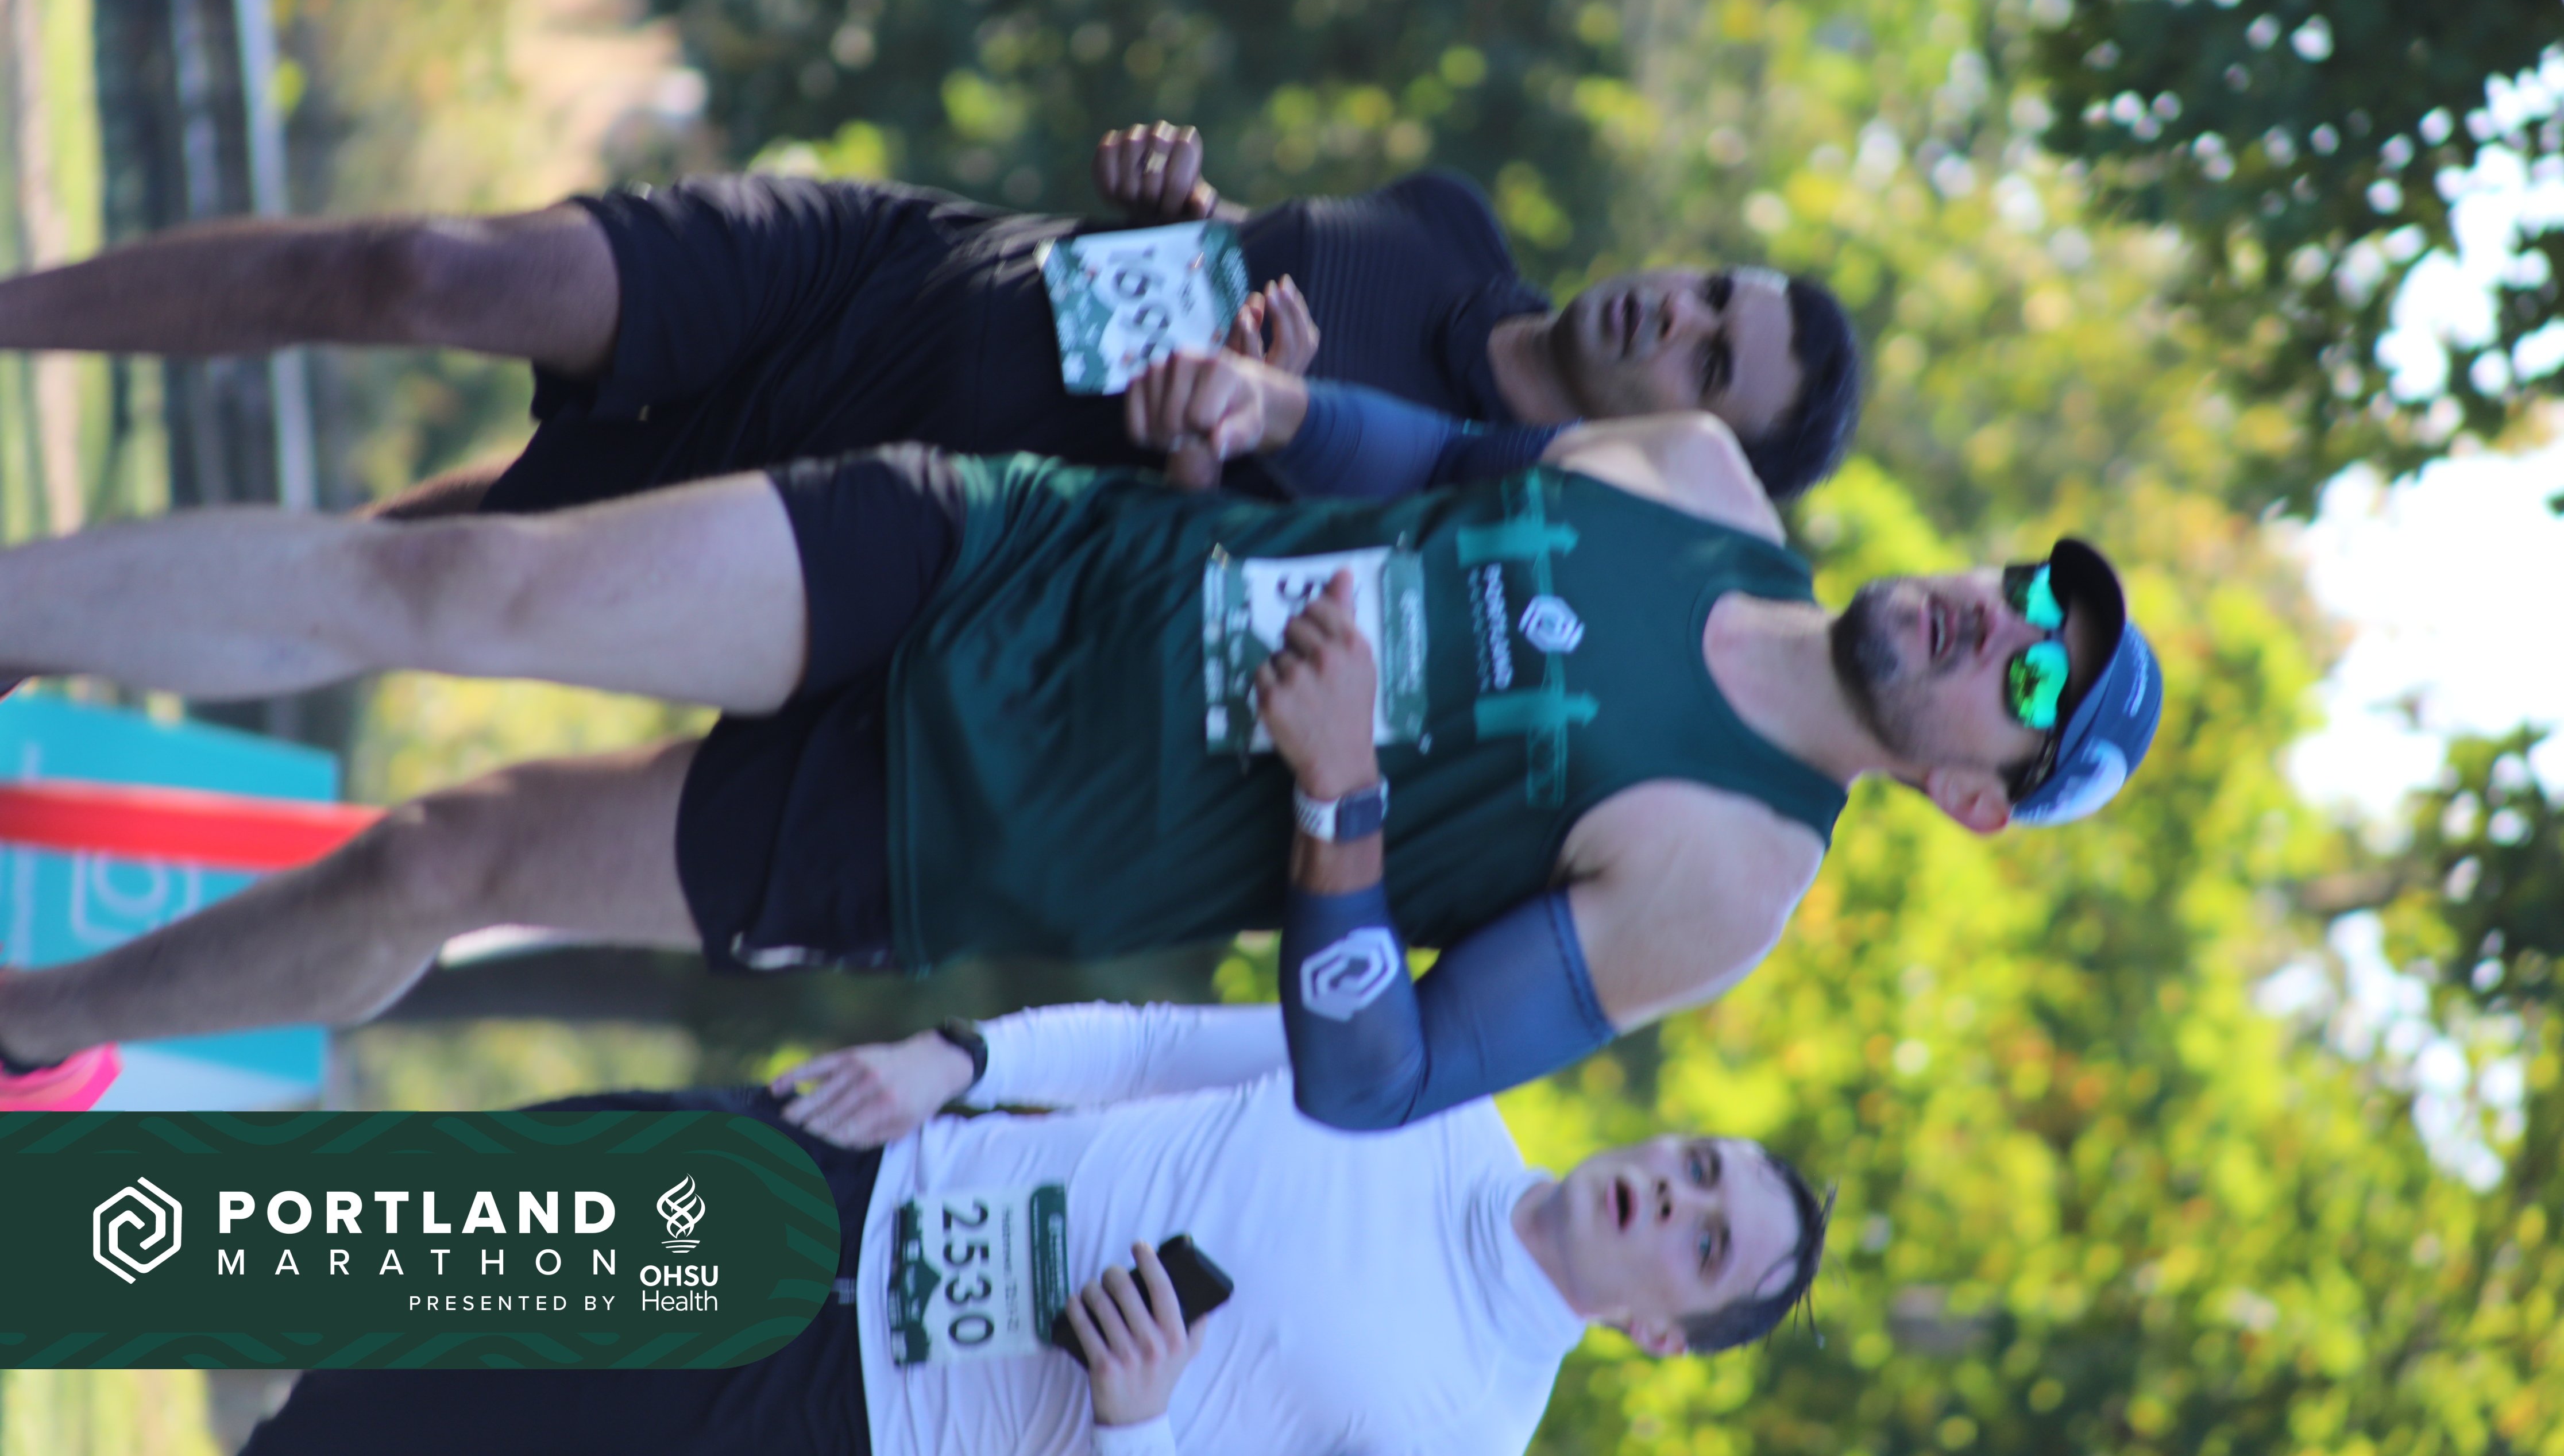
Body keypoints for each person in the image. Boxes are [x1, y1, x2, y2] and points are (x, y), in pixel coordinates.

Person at [0, 391, 2161, 1123]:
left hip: (973, 830)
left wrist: (1340, 800)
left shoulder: (1734, 880)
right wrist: (1268, 409)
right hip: (1016, 556)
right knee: (466, 586)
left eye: (2035, 679)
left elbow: (1376, 1081)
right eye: (2030, 596)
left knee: (440, 864)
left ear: (1974, 797)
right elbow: (1427, 460)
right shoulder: (1690, 469)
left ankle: (32, 1020)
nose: (2004, 624)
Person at [240, 1000, 1831, 1456]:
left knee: (363, 1439)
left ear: (1661, 1333)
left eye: (1705, 1243)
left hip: (842, 1423)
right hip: (846, 1182)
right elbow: (1154, 1043)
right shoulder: (1422, 1079)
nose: (1675, 1195)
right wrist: (965, 1058)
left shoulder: (1470, 1430)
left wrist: (1136, 1423)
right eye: (1699, 1166)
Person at [0, 123, 1862, 509]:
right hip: (891, 264)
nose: (1677, 310)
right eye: (1716, 288)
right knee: (425, 270)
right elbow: (1216, 248)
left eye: (1714, 359)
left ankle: (44, 627)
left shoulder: (1465, 506)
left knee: (419, 554)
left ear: (1693, 442)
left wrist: (1247, 433)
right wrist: (1180, 205)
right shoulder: (1455, 226)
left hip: (868, 488)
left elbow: (1195, 618)